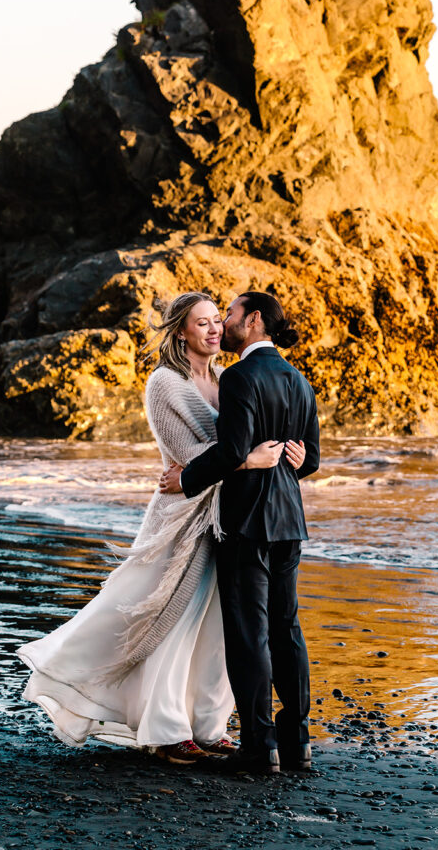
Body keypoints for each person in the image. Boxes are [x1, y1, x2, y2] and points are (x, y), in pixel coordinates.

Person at [16, 292, 307, 765]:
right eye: (202, 324)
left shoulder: (224, 380)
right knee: (171, 618)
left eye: (218, 321)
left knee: (218, 626)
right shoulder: (164, 384)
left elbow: (244, 443)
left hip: (228, 515)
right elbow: (182, 454)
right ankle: (166, 727)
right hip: (182, 515)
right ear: (180, 332)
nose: (214, 330)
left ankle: (209, 724)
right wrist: (247, 460)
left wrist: (283, 456)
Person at [159, 292, 320, 775]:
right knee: (287, 630)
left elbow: (231, 451)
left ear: (252, 321)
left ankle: (259, 745)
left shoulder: (238, 377)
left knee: (250, 635)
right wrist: (297, 460)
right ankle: (297, 743)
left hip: (248, 519)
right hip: (290, 521)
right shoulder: (299, 381)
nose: (223, 323)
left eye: (228, 314)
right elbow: (310, 457)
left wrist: (184, 479)